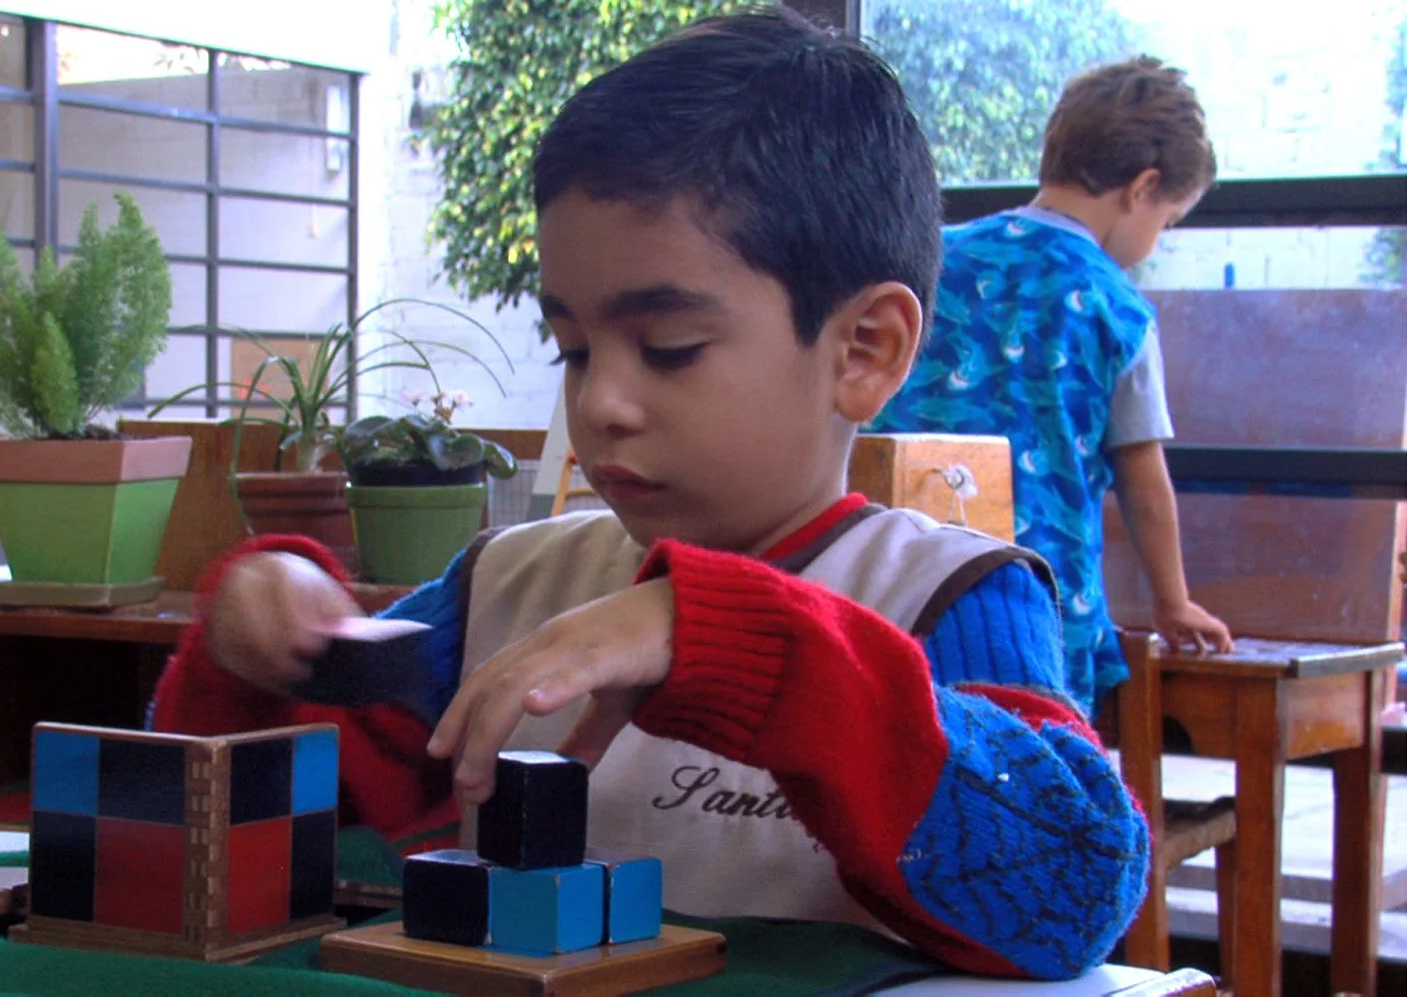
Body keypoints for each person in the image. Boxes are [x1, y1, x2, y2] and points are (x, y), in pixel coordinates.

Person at [154, 6, 1145, 980]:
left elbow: (1073, 888)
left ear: (864, 349)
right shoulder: (507, 586)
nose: (603, 403)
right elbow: (237, 818)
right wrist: (261, 641)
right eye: (573, 349)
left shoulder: (946, 593)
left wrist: (732, 644)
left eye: (667, 348)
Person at [870, 55, 1233, 716]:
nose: (1156, 240)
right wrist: (1173, 601)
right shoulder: (1114, 306)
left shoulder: (933, 259)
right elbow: (1144, 481)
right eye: (1168, 219)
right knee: (1040, 775)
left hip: (893, 576)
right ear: (1142, 188)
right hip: (1038, 603)